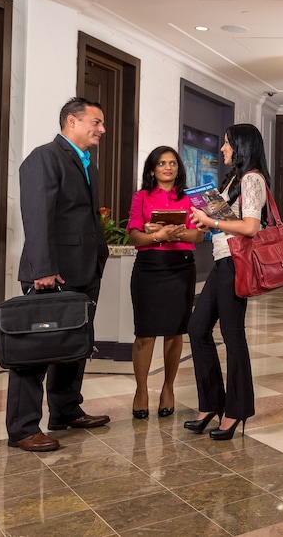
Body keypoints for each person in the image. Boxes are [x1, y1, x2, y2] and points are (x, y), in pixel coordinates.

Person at [8, 97, 111, 452]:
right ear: (72, 121)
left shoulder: (86, 163)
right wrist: (43, 268)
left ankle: (66, 410)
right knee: (35, 351)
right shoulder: (45, 157)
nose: (102, 129)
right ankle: (22, 428)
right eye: (96, 122)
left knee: (74, 343)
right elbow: (37, 214)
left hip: (84, 269)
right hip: (53, 272)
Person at [186, 124, 269, 440]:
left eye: (226, 143)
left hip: (235, 263)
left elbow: (250, 227)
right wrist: (207, 221)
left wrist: (211, 220)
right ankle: (211, 404)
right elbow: (229, 222)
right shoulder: (234, 178)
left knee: (233, 336)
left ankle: (236, 409)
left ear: (241, 146)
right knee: (197, 328)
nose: (222, 148)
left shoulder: (252, 179)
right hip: (222, 260)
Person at [125, 146, 203, 420]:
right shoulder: (141, 197)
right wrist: (158, 236)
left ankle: (168, 388)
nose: (167, 167)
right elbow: (135, 237)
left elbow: (199, 236)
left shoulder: (190, 198)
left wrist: (178, 233)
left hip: (181, 267)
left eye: (172, 163)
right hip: (149, 267)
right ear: (152, 169)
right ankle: (141, 390)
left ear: (178, 168)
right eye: (161, 163)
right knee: (145, 334)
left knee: (174, 332)